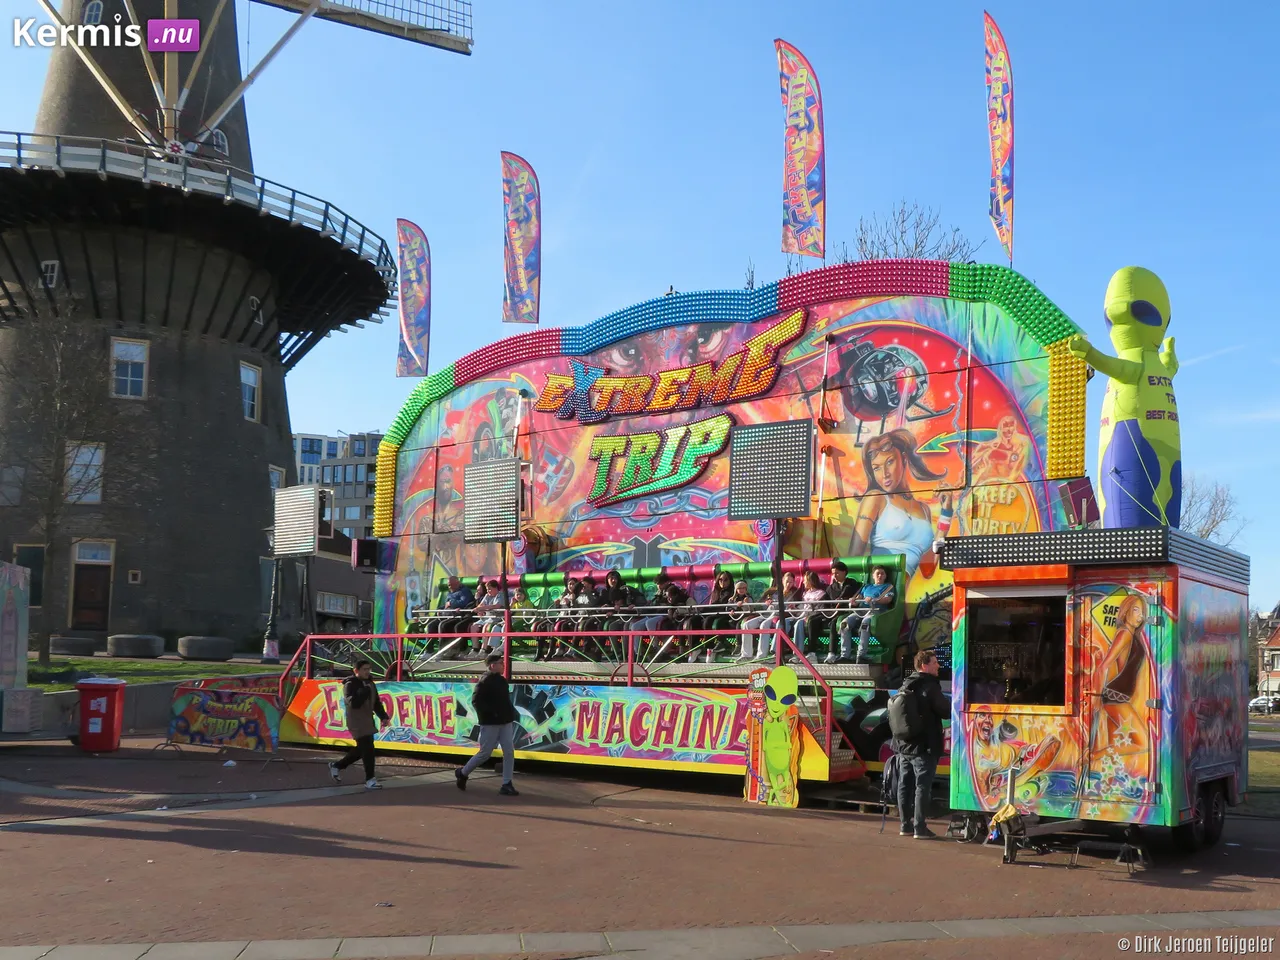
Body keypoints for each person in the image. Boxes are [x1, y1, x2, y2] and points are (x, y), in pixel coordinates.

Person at [850, 430, 951, 579]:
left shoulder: (924, 510)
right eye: (876, 468)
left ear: (903, 459)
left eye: (890, 462)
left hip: (902, 600)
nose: (884, 474)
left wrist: (946, 514)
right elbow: (854, 557)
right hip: (877, 596)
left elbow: (928, 569)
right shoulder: (876, 499)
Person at [893, 649, 951, 839]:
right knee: (922, 787)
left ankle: (905, 825)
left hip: (904, 744)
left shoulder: (906, 684)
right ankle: (920, 827)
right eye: (935, 663)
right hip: (924, 746)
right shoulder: (929, 686)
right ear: (925, 665)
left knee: (904, 785)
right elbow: (944, 710)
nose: (938, 666)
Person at [455, 654, 520, 796]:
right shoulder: (484, 682)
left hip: (505, 722)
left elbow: (505, 701)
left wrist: (511, 714)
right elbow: (476, 701)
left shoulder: (502, 681)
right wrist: (492, 714)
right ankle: (463, 773)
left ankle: (506, 783)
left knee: (509, 751)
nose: (503, 665)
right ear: (492, 665)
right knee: (485, 753)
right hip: (491, 723)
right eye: (500, 663)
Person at [328, 659, 390, 790]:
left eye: (369, 669)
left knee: (361, 750)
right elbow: (353, 703)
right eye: (364, 669)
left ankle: (337, 766)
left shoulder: (370, 683)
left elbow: (376, 703)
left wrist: (383, 716)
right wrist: (364, 691)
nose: (367, 672)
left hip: (367, 720)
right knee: (368, 750)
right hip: (356, 722)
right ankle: (370, 780)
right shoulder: (349, 684)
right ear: (356, 671)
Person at [831, 565, 896, 665]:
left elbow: (888, 599)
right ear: (873, 576)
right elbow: (858, 598)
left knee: (865, 624)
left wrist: (874, 600)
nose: (880, 575)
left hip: (875, 612)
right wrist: (854, 600)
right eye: (877, 573)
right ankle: (845, 655)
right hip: (861, 611)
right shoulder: (866, 587)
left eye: (882, 573)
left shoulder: (888, 587)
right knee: (844, 624)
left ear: (885, 576)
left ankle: (861, 655)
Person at [742, 572, 799, 660]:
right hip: (766, 614)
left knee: (764, 625)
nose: (788, 584)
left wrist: (791, 607)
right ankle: (746, 655)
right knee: (747, 625)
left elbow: (792, 609)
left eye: (791, 582)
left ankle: (761, 655)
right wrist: (766, 603)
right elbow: (759, 604)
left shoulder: (794, 594)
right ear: (783, 581)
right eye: (787, 581)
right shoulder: (772, 591)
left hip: (777, 615)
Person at [820, 560, 861, 659]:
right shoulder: (831, 587)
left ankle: (832, 652)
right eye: (833, 573)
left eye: (837, 573)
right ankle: (810, 651)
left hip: (845, 612)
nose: (835, 576)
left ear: (844, 572)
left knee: (835, 622)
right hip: (831, 612)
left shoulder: (851, 584)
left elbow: (851, 597)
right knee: (813, 620)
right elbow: (824, 601)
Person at [786, 571, 828, 662]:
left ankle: (797, 654)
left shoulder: (821, 594)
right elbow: (802, 609)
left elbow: (819, 610)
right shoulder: (805, 594)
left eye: (805, 580)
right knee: (784, 621)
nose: (803, 582)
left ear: (810, 581)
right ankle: (780, 650)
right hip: (802, 616)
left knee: (798, 624)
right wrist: (794, 609)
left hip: (812, 618)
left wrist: (808, 615)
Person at [700, 571, 738, 663]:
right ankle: (706, 647)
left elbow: (724, 606)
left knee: (714, 622)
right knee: (702, 620)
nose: (722, 582)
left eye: (725, 580)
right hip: (716, 613)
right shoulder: (715, 592)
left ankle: (719, 645)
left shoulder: (732, 592)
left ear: (730, 581)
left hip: (728, 615)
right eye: (720, 579)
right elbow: (714, 605)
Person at [437, 576, 475, 656]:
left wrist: (451, 603)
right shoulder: (450, 592)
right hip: (447, 614)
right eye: (448, 585)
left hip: (459, 615)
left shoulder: (464, 591)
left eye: (451, 585)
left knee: (444, 625)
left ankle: (447, 650)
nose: (449, 586)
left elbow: (464, 603)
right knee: (431, 625)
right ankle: (430, 650)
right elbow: (445, 605)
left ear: (457, 583)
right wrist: (440, 610)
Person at [473, 580, 505, 656]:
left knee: (486, 627)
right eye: (487, 589)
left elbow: (496, 606)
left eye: (489, 589)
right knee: (473, 627)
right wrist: (479, 609)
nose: (488, 591)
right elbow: (480, 605)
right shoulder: (487, 595)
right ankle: (475, 649)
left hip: (496, 618)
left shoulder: (500, 595)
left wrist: (483, 608)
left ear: (496, 588)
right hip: (487, 617)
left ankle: (484, 650)